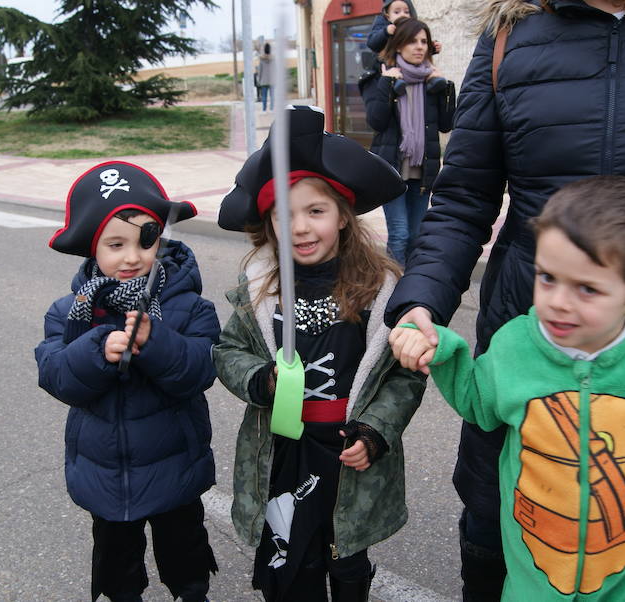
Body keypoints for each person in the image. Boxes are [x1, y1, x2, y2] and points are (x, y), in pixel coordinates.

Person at [385, 1, 625, 599]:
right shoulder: (510, 31)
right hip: (529, 352)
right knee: (495, 544)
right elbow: (462, 199)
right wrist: (419, 300)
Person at [392, 175, 625, 601]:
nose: (559, 302)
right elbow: (480, 402)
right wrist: (443, 350)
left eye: (587, 288)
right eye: (548, 277)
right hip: (529, 589)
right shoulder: (517, 342)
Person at [213, 106, 425, 602]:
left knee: (345, 552)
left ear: (343, 217)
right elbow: (227, 351)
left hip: (348, 449)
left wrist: (376, 431)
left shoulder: (379, 291)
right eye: (284, 216)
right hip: (283, 445)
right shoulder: (260, 291)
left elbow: (403, 377)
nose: (302, 228)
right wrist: (260, 378)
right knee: (292, 555)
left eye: (316, 211)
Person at [34, 161, 220, 602]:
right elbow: (57, 376)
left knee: (183, 542)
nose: (132, 256)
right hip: (105, 468)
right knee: (116, 552)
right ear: (92, 249)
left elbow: (200, 370)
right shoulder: (68, 312)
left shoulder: (188, 306)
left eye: (144, 240)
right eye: (114, 244)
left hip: (174, 460)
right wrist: (98, 348)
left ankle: (191, 591)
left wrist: (155, 343)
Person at [360, 17, 455, 265]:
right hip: (392, 169)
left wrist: (446, 87)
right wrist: (386, 83)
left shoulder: (432, 83)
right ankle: (392, 291)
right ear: (399, 44)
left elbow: (447, 124)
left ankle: (411, 288)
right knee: (400, 235)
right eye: (413, 41)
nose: (420, 46)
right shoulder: (386, 77)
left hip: (422, 171)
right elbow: (377, 122)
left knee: (416, 236)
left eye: (424, 41)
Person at [365, 1, 442, 56]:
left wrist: (432, 48)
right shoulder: (384, 25)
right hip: (386, 70)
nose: (402, 15)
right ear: (387, 16)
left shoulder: (413, 29)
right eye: (397, 12)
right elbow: (372, 43)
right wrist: (385, 32)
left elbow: (417, 49)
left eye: (406, 12)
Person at [257, 43, 273, 112]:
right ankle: (272, 108)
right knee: (272, 96)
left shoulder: (261, 60)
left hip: (264, 80)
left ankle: (264, 109)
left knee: (264, 96)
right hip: (272, 80)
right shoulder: (273, 59)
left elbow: (260, 70)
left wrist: (259, 79)